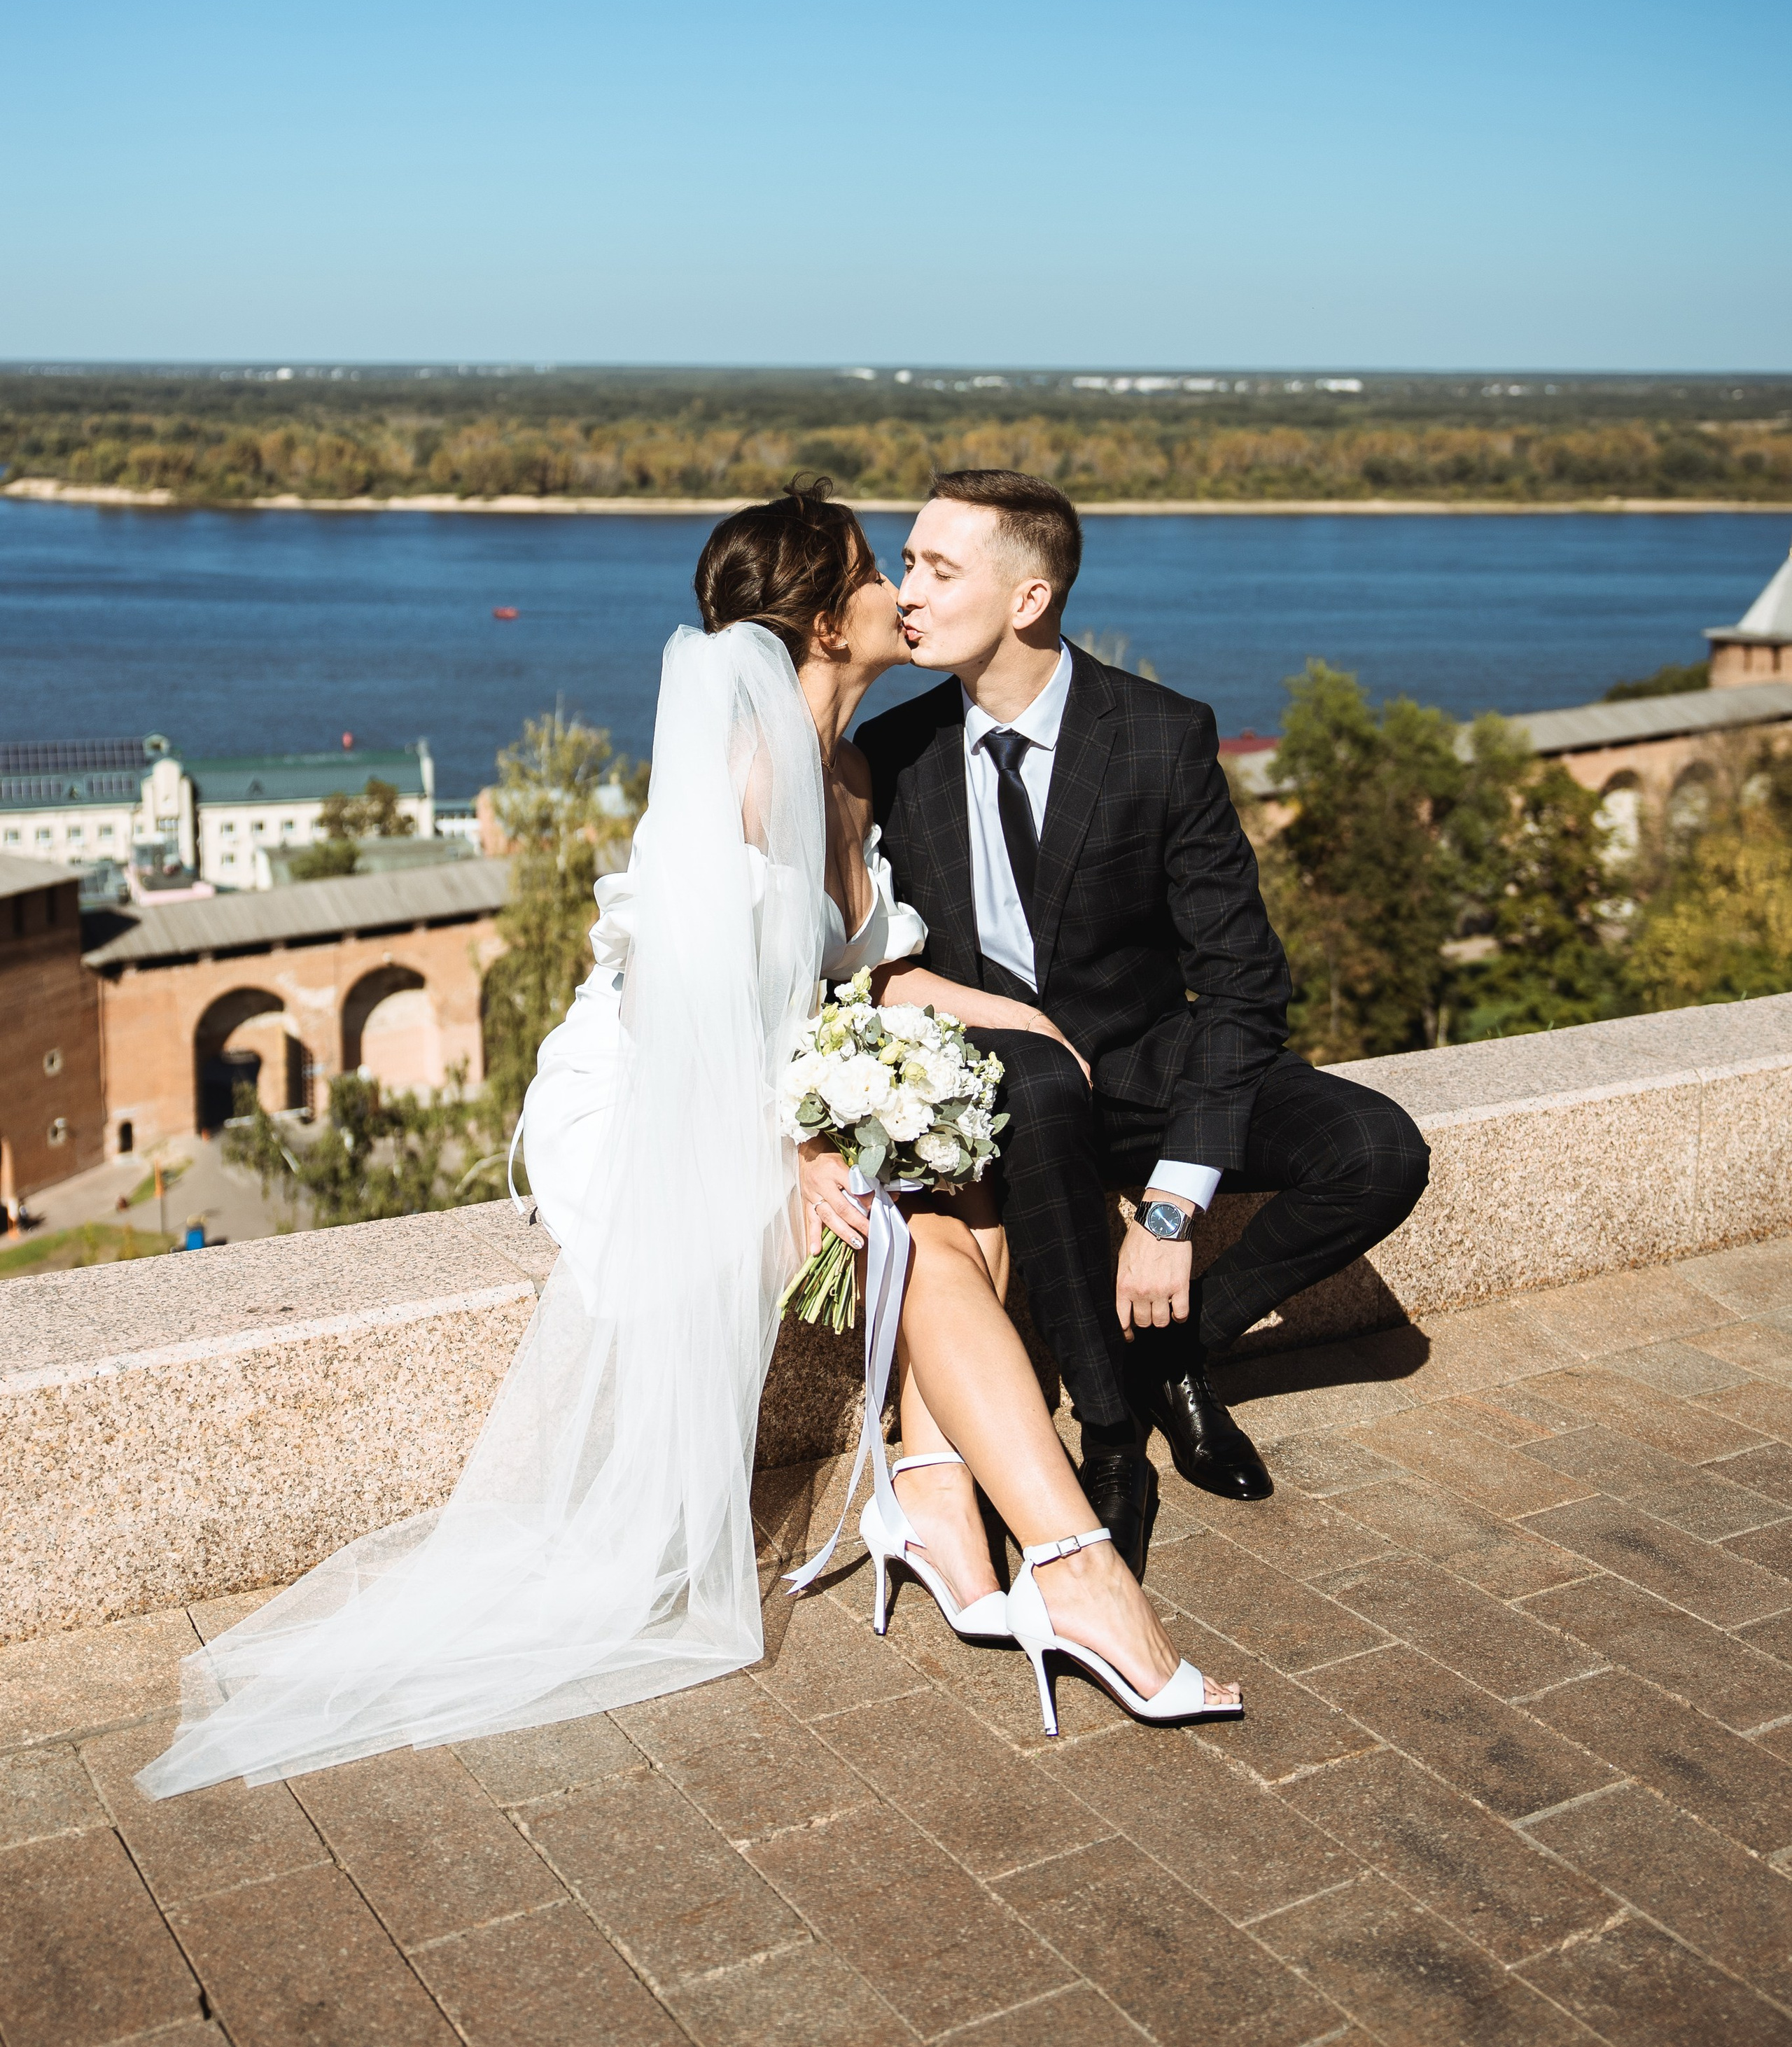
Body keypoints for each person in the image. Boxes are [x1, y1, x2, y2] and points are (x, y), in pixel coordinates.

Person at [139, 484, 1233, 1801]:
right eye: (876, 571)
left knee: (965, 1194)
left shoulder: (846, 765)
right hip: (650, 1100)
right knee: (930, 1242)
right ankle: (1079, 1572)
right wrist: (782, 1156)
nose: (903, 583)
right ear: (831, 624)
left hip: (761, 1075)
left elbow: (858, 972)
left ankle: (942, 1508)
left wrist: (1030, 1025)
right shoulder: (742, 772)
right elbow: (669, 1005)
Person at [855, 467, 1432, 1572]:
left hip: (1153, 1064)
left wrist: (1172, 1209)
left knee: (1376, 1150)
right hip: (1015, 1096)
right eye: (905, 560)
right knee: (1039, 1082)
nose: (905, 591)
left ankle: (1173, 1356)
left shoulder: (1160, 736)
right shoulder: (892, 759)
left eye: (936, 567)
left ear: (1029, 598)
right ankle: (1113, 1440)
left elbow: (1245, 976)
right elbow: (863, 963)